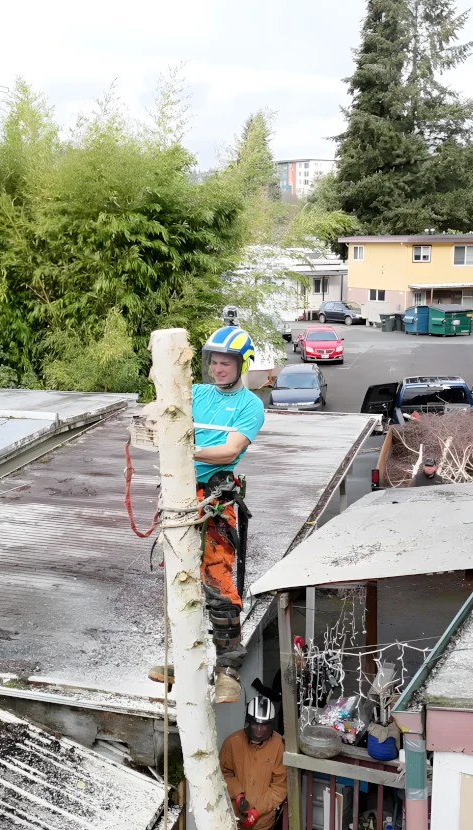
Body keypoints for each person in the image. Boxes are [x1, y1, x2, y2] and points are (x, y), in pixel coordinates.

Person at [149, 325, 265, 704]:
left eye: (225, 363)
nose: (218, 369)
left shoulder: (250, 405)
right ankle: (184, 655)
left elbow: (230, 451)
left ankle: (228, 668)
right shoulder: (195, 394)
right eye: (214, 362)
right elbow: (162, 408)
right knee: (180, 577)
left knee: (217, 580)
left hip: (215, 497)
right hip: (178, 493)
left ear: (240, 365)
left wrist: (183, 447)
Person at [219, 695, 287, 830]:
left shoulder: (279, 745)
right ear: (249, 721)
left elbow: (280, 787)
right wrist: (237, 794)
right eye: (256, 723)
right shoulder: (232, 742)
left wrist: (257, 811)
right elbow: (223, 774)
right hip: (234, 818)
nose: (260, 729)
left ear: (271, 723)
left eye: (264, 725)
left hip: (263, 822)